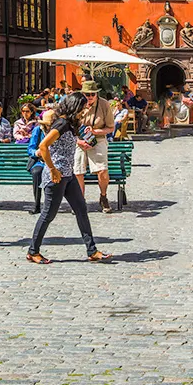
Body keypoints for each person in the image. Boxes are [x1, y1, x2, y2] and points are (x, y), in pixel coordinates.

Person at [28, 93, 111, 264]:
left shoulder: (72, 123)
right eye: (82, 107)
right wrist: (52, 170)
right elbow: (43, 146)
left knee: (81, 210)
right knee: (48, 214)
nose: (84, 110)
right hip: (56, 176)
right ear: (75, 107)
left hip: (68, 174)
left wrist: (83, 141)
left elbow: (72, 141)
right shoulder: (62, 123)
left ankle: (92, 250)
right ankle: (33, 251)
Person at [74, 80, 118, 212]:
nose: (90, 97)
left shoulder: (104, 105)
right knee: (78, 170)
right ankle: (80, 200)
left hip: (97, 139)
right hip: (79, 140)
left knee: (102, 169)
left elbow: (110, 128)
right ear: (83, 94)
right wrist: (79, 141)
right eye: (87, 94)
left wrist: (95, 131)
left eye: (93, 94)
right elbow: (68, 127)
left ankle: (103, 197)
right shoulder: (76, 104)